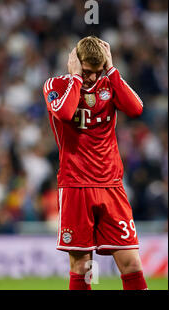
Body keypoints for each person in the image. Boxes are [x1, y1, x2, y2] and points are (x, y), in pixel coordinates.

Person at [42, 36, 148, 290]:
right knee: (82, 268)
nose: (92, 78)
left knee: (132, 263)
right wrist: (77, 77)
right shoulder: (54, 84)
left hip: (112, 186)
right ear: (75, 63)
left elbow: (136, 109)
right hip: (76, 185)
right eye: (87, 71)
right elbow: (65, 113)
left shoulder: (108, 84)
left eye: (96, 72)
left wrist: (110, 70)